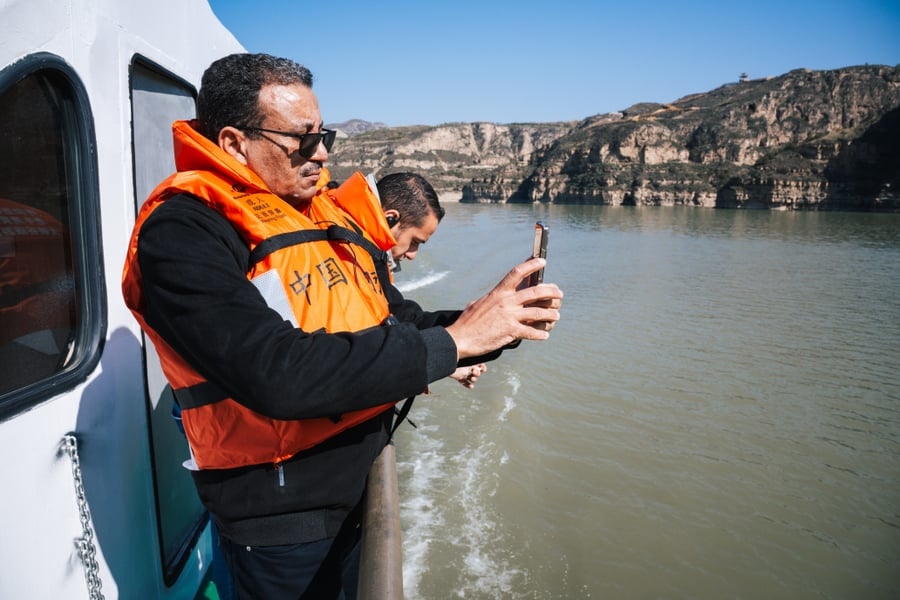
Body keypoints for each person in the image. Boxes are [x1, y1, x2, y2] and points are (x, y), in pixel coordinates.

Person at [121, 52, 562, 599]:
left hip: (353, 488)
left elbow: (397, 319)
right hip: (282, 519)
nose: (323, 152)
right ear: (235, 143)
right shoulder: (184, 231)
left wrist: (495, 323)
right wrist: (457, 341)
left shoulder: (322, 216)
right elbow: (277, 372)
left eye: (323, 135)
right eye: (302, 139)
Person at [377, 171, 486, 388]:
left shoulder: (368, 264)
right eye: (414, 241)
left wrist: (483, 321)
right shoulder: (347, 264)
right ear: (390, 219)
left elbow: (404, 320)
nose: (412, 255)